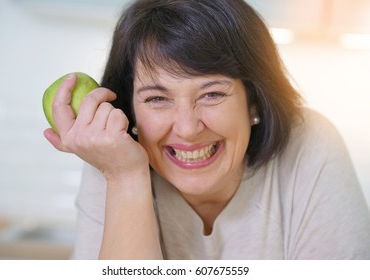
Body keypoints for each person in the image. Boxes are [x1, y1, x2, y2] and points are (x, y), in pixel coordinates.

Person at [44, 0, 370, 259]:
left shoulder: (309, 142)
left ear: (254, 101)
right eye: (157, 98)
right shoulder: (114, 158)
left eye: (212, 94)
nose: (187, 129)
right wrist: (125, 177)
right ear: (130, 110)